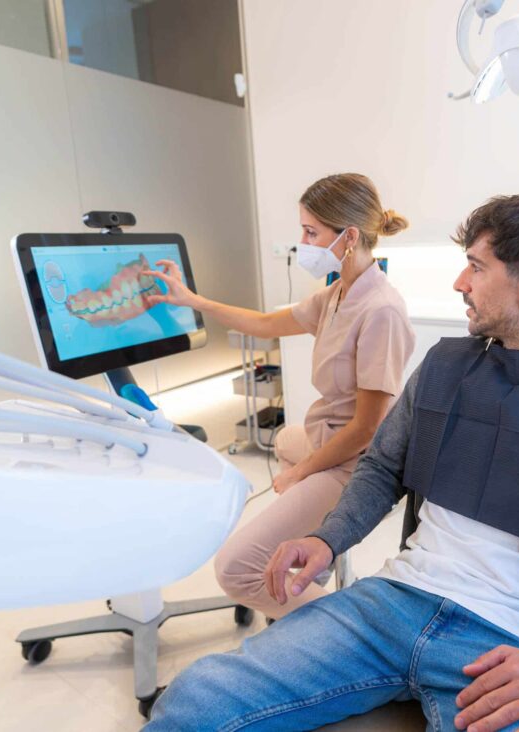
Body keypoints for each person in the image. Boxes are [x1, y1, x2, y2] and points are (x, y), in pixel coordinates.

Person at [144, 189, 519, 732]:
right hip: (389, 607)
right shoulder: (445, 368)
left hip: (512, 643)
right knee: (192, 703)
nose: (460, 282)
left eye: (476, 268)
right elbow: (383, 467)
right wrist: (327, 538)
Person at [143, 173, 416, 620]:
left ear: (348, 237)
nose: (302, 242)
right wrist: (192, 300)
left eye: (311, 232)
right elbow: (267, 323)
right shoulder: (337, 292)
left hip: (354, 461)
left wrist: (304, 473)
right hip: (323, 438)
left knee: (235, 569)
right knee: (284, 439)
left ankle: (347, 628)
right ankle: (313, 564)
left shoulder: (381, 311)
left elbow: (367, 428)